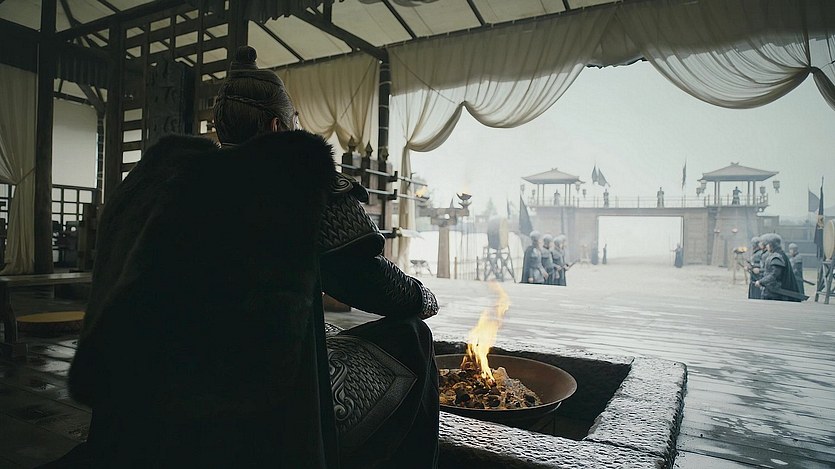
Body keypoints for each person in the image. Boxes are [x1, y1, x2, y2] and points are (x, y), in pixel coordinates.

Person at [61, 46, 440, 469]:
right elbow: (370, 284)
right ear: (278, 126)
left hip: (143, 405)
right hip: (247, 414)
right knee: (412, 338)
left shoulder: (153, 182)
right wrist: (424, 297)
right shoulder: (293, 181)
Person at [755, 233, 804, 302]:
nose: (766, 246)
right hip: (773, 292)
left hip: (776, 293)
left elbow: (774, 275)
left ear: (772, 245)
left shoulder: (777, 257)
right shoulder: (778, 254)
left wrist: (761, 282)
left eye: (767, 244)